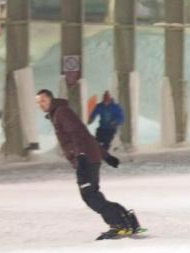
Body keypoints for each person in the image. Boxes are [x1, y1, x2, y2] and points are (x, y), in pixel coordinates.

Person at [37, 89, 141, 240]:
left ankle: (119, 224)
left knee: (90, 195)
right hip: (87, 156)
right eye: (38, 102)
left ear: (51, 99)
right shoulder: (59, 113)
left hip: (85, 158)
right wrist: (106, 156)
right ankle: (128, 221)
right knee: (93, 193)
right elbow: (85, 134)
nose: (41, 104)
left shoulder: (61, 113)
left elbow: (78, 134)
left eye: (43, 101)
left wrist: (81, 156)